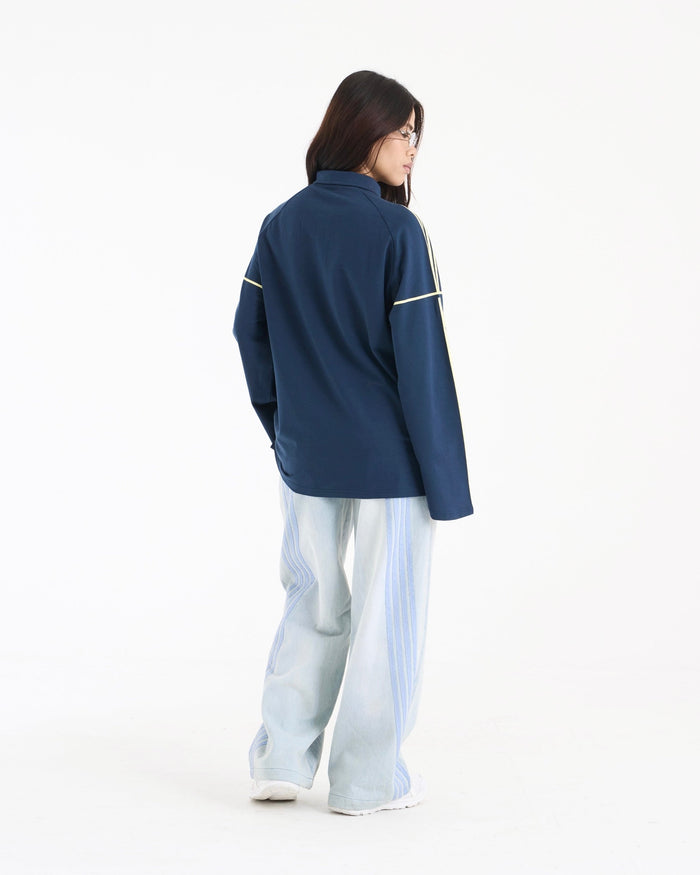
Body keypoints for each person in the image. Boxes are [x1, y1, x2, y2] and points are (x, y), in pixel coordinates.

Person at [233, 70, 474, 816]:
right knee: (383, 617)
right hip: (389, 462)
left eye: (416, 136)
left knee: (311, 600)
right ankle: (368, 782)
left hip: (307, 455)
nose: (412, 149)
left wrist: (284, 428)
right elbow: (422, 364)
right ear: (364, 131)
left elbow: (249, 335)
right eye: (403, 133)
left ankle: (280, 758)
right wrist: (446, 481)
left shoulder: (280, 224)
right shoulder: (398, 231)